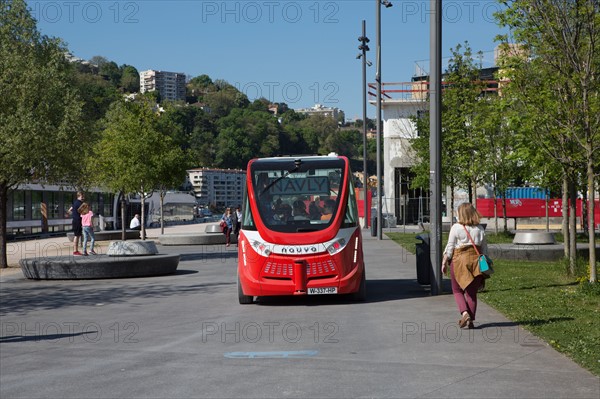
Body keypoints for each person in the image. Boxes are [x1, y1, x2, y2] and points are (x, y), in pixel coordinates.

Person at [442, 202, 489, 329]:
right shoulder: (480, 228)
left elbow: (450, 247)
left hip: (459, 262)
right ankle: (470, 320)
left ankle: (465, 313)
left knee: (457, 290)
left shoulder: (456, 228)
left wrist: (444, 261)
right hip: (476, 263)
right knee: (471, 293)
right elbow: (484, 249)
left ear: (460, 214)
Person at [67, 191, 84, 256]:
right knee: (76, 236)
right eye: (82, 196)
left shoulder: (75, 203)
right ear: (79, 196)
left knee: (77, 235)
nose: (83, 198)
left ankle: (76, 250)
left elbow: (69, 210)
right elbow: (84, 211)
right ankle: (75, 251)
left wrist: (73, 214)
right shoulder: (80, 203)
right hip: (77, 221)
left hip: (75, 220)